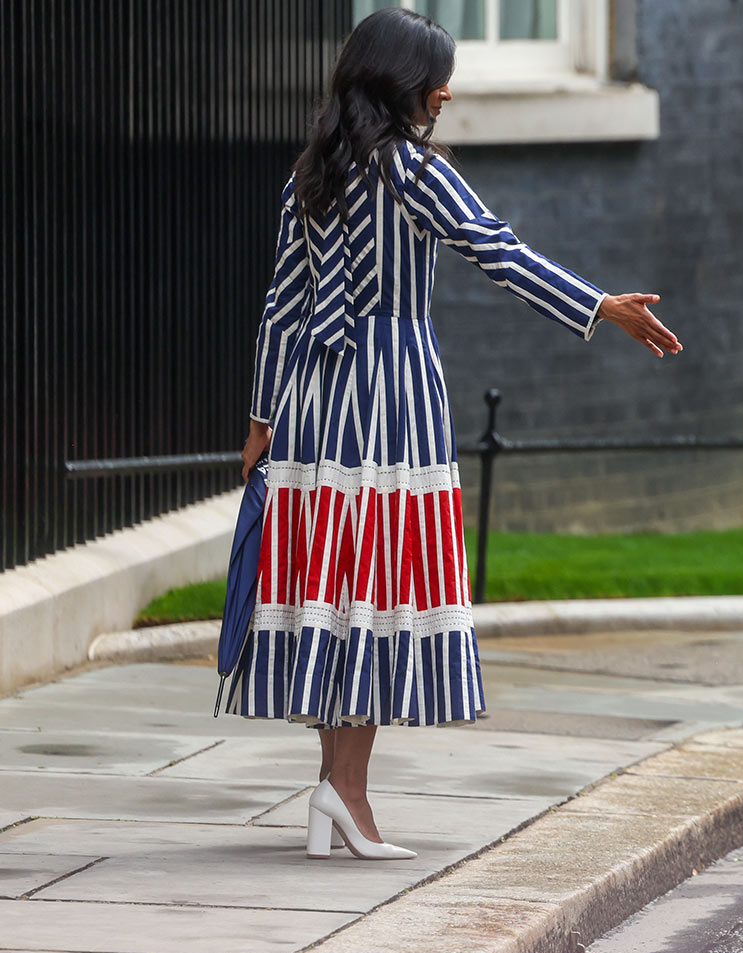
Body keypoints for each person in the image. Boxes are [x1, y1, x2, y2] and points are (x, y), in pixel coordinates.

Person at [229, 7, 681, 861]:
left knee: (332, 586)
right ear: (407, 88)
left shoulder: (310, 177)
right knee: (381, 588)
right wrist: (599, 306)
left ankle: (334, 790)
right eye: (438, 80)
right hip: (393, 395)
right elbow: (497, 248)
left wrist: (259, 420)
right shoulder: (413, 170)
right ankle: (349, 795)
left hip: (318, 404)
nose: (446, 95)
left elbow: (282, 307)